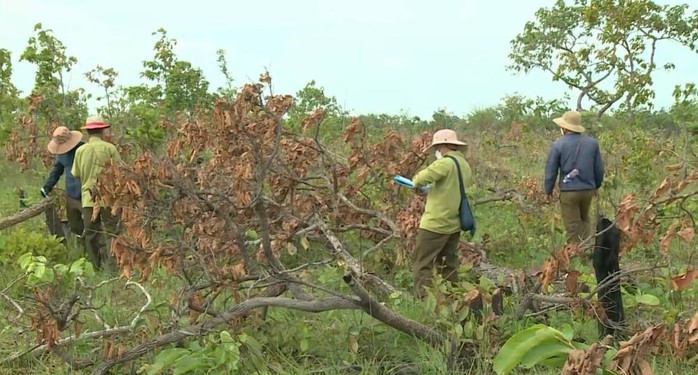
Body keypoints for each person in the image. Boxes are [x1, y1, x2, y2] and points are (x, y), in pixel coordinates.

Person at [410, 129, 472, 299]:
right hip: (454, 223)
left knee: (422, 262)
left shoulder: (445, 163)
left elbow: (418, 179)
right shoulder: (464, 165)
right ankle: (456, 299)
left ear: (442, 145)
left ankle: (425, 302)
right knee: (448, 264)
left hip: (435, 223)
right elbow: (450, 188)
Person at [544, 110, 605, 246]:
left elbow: (551, 171)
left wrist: (548, 190)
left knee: (572, 226)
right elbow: (599, 170)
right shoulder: (592, 143)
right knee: (584, 221)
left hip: (569, 192)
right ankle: (587, 250)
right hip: (588, 190)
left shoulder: (558, 145)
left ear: (565, 128)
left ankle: (576, 257)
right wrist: (596, 186)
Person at [71, 116, 122, 271]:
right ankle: (115, 266)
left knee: (92, 233)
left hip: (88, 199)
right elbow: (120, 172)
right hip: (109, 198)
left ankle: (97, 267)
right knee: (113, 232)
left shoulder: (80, 151)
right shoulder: (110, 148)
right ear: (102, 131)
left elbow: (76, 173)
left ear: (88, 132)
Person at [41, 126, 85, 245]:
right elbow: (56, 171)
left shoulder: (83, 148)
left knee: (92, 224)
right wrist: (47, 187)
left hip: (87, 192)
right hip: (71, 194)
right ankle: (84, 248)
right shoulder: (61, 155)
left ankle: (97, 254)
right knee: (75, 225)